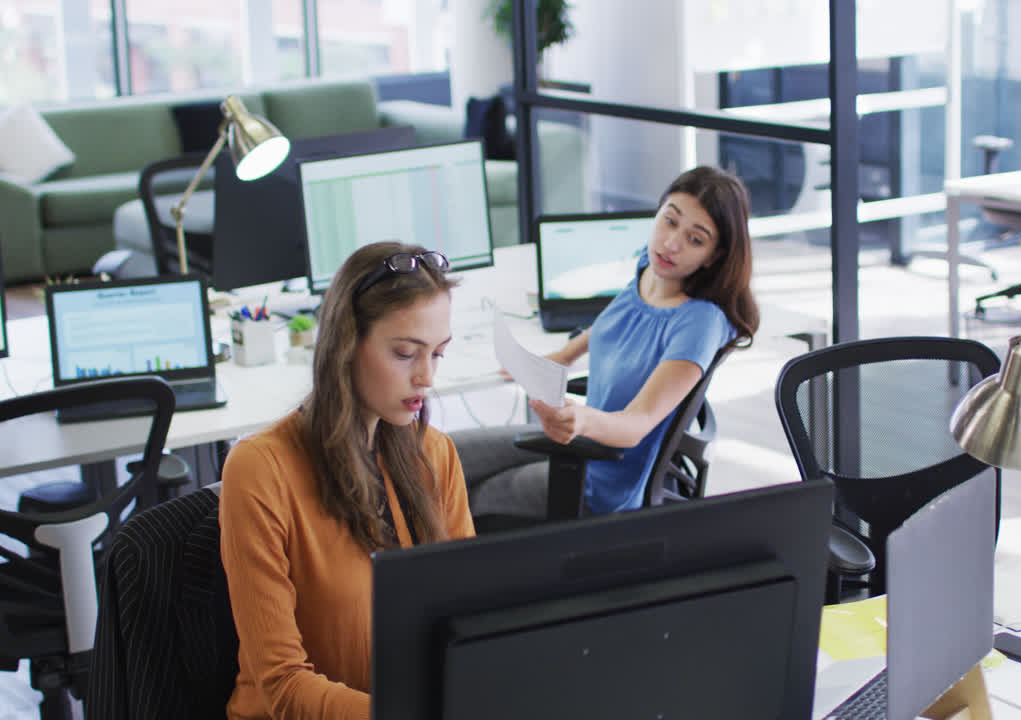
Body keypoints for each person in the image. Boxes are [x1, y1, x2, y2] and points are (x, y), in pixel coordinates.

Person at [219, 241, 475, 720]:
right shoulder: (260, 470)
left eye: (437, 354)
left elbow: (468, 623)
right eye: (405, 353)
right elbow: (282, 686)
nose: (426, 377)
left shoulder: (434, 454)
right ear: (345, 345)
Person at [455, 165, 760, 519]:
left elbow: (636, 425)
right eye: (670, 220)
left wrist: (581, 421)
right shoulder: (651, 269)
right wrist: (564, 355)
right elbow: (616, 320)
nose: (671, 243)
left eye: (696, 239)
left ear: (714, 256)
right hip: (577, 443)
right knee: (444, 457)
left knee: (466, 499)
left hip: (600, 480)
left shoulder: (699, 324)